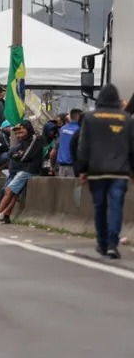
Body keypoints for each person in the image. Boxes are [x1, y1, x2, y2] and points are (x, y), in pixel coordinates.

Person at [77, 84, 134, 259]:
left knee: (100, 207)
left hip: (97, 171)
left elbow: (83, 146)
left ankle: (101, 243)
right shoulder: (127, 118)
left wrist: (82, 169)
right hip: (120, 172)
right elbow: (132, 148)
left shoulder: (90, 117)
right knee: (116, 206)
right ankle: (112, 244)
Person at [0, 120, 42, 224]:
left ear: (28, 128)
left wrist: (18, 156)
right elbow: (11, 154)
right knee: (13, 193)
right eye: (17, 132)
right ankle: (3, 214)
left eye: (22, 129)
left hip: (28, 170)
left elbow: (25, 156)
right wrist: (17, 155)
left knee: (9, 190)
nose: (19, 134)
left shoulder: (34, 139)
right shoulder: (22, 141)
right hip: (19, 170)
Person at [55, 109, 82, 178]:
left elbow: (56, 149)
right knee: (73, 188)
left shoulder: (62, 129)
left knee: (62, 188)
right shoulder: (79, 130)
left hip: (61, 166)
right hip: (72, 166)